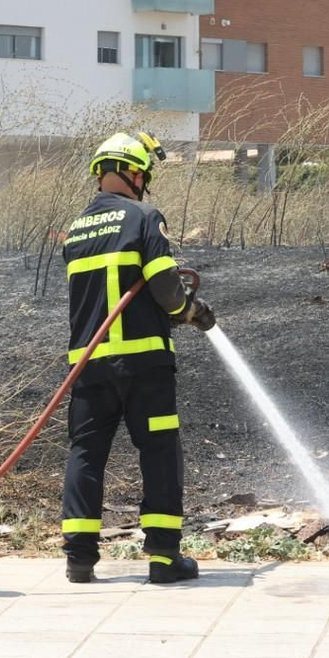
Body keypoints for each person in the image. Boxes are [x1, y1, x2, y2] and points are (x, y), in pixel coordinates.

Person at [60, 131, 215, 585]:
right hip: (144, 363)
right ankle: (165, 558)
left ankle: (80, 560)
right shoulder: (145, 217)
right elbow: (166, 289)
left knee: (86, 453)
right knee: (159, 451)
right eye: (142, 172)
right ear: (132, 172)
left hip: (88, 365)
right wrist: (189, 311)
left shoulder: (76, 229)